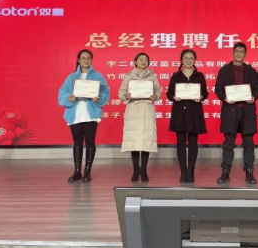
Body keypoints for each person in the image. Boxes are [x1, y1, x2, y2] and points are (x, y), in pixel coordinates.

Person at [58, 50, 110, 183]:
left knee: (90, 142)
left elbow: (105, 93)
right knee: (77, 143)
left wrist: (98, 99)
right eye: (83, 58)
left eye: (88, 58)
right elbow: (62, 94)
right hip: (75, 113)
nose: (86, 60)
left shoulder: (98, 76)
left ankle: (87, 171)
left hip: (90, 114)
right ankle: (77, 171)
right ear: (78, 60)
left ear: (91, 60)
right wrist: (69, 98)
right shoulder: (71, 77)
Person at [215, 42, 258, 184]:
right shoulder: (224, 70)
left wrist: (253, 97)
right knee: (228, 143)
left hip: (247, 111)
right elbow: (218, 88)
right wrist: (225, 98)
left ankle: (249, 172)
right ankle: (225, 172)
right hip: (230, 111)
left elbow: (257, 88)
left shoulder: (251, 71)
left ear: (245, 54)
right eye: (237, 51)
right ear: (233, 53)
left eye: (242, 51)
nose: (239, 54)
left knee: (248, 143)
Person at [118, 52, 161, 183]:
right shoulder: (129, 77)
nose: (143, 61)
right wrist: (126, 96)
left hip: (147, 109)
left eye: (145, 60)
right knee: (135, 142)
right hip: (133, 109)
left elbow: (158, 91)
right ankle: (136, 170)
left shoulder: (153, 77)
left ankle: (144, 171)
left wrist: (156, 96)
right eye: (140, 59)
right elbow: (121, 92)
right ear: (135, 62)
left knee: (146, 142)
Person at [167, 49, 209, 183]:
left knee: (193, 142)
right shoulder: (176, 76)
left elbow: (205, 93)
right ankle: (183, 171)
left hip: (194, 111)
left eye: (191, 58)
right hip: (179, 111)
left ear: (195, 60)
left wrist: (200, 97)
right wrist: (174, 97)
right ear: (181, 60)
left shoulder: (199, 76)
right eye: (186, 58)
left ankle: (191, 171)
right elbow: (169, 94)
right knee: (180, 142)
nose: (188, 60)